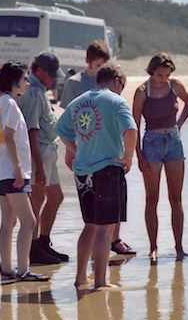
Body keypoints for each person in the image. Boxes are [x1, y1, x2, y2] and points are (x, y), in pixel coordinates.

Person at [55, 63, 137, 288]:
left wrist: (76, 151)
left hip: (83, 171)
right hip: (108, 169)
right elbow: (131, 130)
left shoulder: (78, 101)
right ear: (117, 81)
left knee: (89, 225)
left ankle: (80, 276)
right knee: (105, 228)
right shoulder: (116, 101)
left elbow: (60, 130)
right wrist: (128, 157)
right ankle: (100, 281)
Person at [132, 52, 188, 262]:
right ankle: (153, 246)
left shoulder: (175, 86)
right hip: (151, 143)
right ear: (152, 72)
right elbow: (135, 126)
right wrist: (138, 155)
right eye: (159, 75)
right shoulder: (142, 91)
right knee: (152, 199)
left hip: (173, 142)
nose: (163, 79)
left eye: (167, 75)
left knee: (176, 198)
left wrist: (179, 125)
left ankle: (179, 246)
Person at [0, 62, 49, 282]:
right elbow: (7, 137)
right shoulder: (11, 105)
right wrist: (17, 168)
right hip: (10, 171)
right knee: (30, 222)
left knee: (9, 222)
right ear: (15, 82)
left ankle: (7, 270)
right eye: (25, 79)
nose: (27, 82)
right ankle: (22, 270)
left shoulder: (1, 103)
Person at [17, 52, 68, 265]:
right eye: (51, 75)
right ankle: (33, 249)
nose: (54, 79)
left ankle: (43, 243)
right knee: (35, 203)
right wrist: (38, 165)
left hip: (49, 149)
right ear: (39, 70)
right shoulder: (32, 92)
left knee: (56, 197)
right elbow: (31, 132)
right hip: (39, 152)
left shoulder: (40, 90)